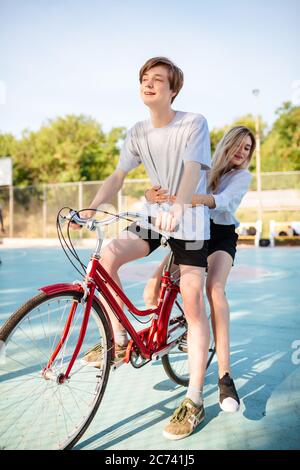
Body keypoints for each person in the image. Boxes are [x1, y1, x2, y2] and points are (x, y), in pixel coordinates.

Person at [73, 56, 212, 440]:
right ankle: (118, 340)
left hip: (190, 221)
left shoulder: (193, 122)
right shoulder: (136, 131)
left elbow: (190, 170)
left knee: (193, 298)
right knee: (107, 255)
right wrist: (93, 207)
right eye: (143, 79)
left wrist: (180, 208)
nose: (148, 84)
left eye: (157, 80)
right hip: (154, 215)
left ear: (173, 90)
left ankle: (195, 399)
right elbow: (118, 176)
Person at [143, 125, 256, 413]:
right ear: (227, 145)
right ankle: (176, 334)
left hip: (220, 235)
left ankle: (224, 377)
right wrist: (152, 194)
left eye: (248, 148)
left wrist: (187, 199)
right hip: (193, 232)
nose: (242, 152)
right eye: (239, 145)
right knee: (154, 289)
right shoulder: (203, 169)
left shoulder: (243, 176)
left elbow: (223, 202)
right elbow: (172, 189)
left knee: (214, 289)